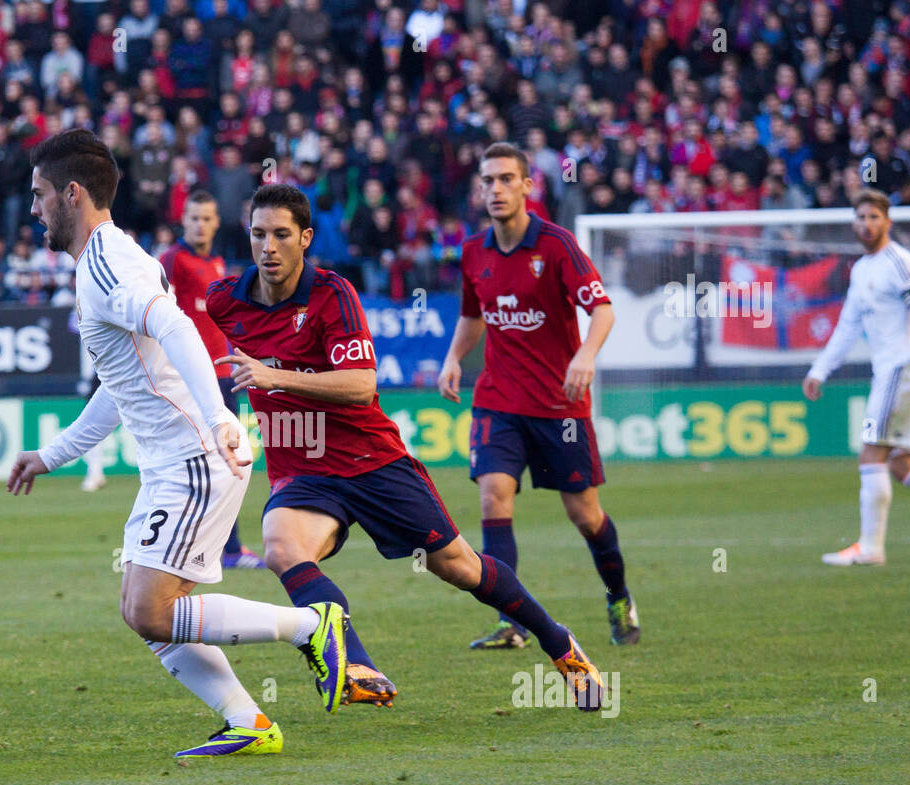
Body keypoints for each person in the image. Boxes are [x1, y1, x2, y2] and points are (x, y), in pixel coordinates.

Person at [5, 130, 347, 757]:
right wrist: (51, 455)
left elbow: (175, 323)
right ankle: (248, 723)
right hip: (173, 462)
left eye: (40, 195)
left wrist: (218, 418)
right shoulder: (110, 259)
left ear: (71, 195)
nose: (33, 209)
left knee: (150, 609)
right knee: (145, 609)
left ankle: (312, 624)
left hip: (194, 459)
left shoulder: (108, 265)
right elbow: (120, 384)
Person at [207, 183, 606, 711]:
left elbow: (361, 384)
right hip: (301, 469)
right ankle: (357, 664)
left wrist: (273, 376)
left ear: (305, 238)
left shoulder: (333, 294)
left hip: (373, 462)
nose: (269, 247)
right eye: (259, 234)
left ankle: (560, 644)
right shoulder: (225, 302)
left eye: (282, 234)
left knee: (461, 568)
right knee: (283, 549)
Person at [438, 142, 641, 649]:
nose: (496, 189)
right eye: (488, 181)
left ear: (528, 185)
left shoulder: (556, 246)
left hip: (559, 408)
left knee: (585, 514)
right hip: (498, 400)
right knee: (493, 494)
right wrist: (453, 358)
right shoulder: (473, 253)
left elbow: (604, 311)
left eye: (507, 179)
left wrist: (586, 355)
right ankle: (512, 622)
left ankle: (618, 594)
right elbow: (473, 315)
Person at [803, 189, 910, 565]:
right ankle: (870, 548)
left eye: (874, 217)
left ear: (888, 221)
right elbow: (847, 326)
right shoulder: (861, 269)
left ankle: (870, 549)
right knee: (901, 463)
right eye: (861, 217)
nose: (867, 225)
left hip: (902, 367)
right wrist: (819, 370)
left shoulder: (901, 263)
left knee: (871, 451)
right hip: (894, 371)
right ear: (853, 222)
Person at [158, 190, 266, 569]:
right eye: (193, 218)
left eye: (207, 218)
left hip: (223, 376)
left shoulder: (217, 263)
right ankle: (223, 549)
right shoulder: (173, 260)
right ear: (183, 221)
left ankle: (222, 548)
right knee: (207, 462)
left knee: (227, 461)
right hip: (194, 380)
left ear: (216, 221)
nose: (200, 224)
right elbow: (157, 312)